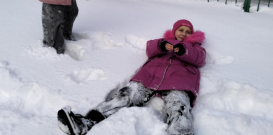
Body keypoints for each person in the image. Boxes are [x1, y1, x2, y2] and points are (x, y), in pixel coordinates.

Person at [57, 19, 206, 135]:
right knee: (124, 96)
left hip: (178, 81)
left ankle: (181, 132)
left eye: (188, 31)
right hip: (150, 77)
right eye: (181, 30)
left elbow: (199, 59)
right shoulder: (164, 43)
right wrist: (161, 45)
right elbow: (150, 48)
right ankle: (86, 122)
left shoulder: (195, 48)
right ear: (174, 32)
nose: (184, 33)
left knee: (178, 106)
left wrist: (183, 50)